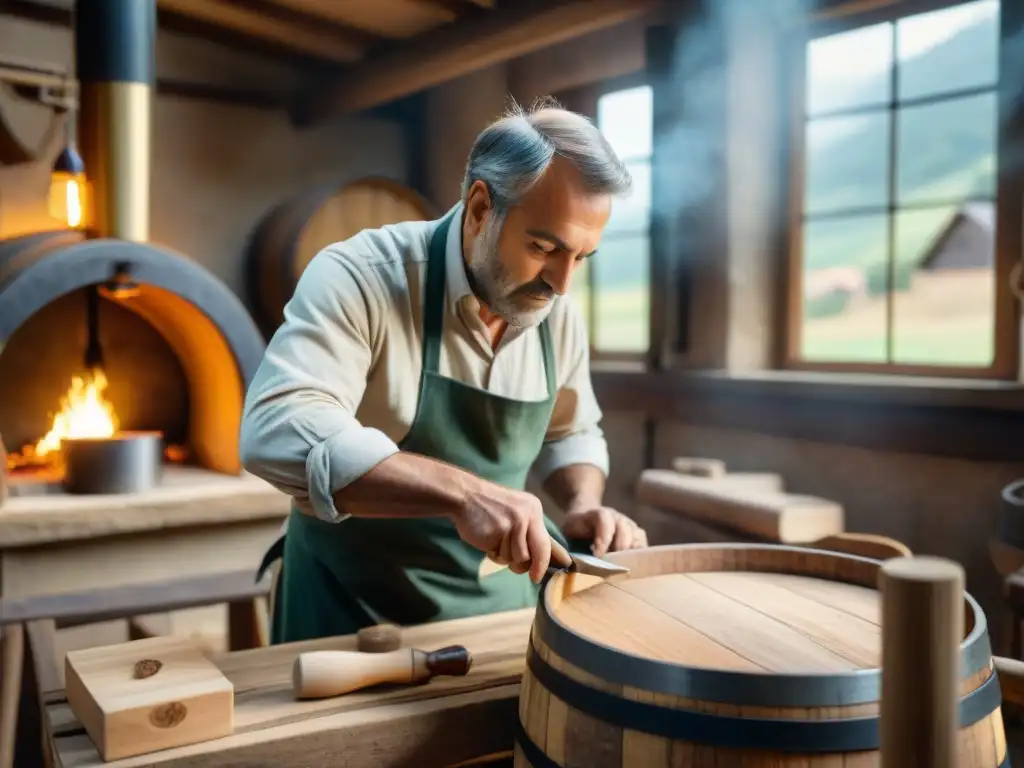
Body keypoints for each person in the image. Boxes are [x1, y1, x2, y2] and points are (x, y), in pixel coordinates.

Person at [241, 99, 649, 644]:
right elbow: (276, 428)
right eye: (543, 247)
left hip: (497, 619)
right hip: (349, 617)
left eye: (582, 258)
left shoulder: (557, 311)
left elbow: (571, 431)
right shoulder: (361, 276)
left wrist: (583, 505)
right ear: (481, 207)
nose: (562, 283)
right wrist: (463, 495)